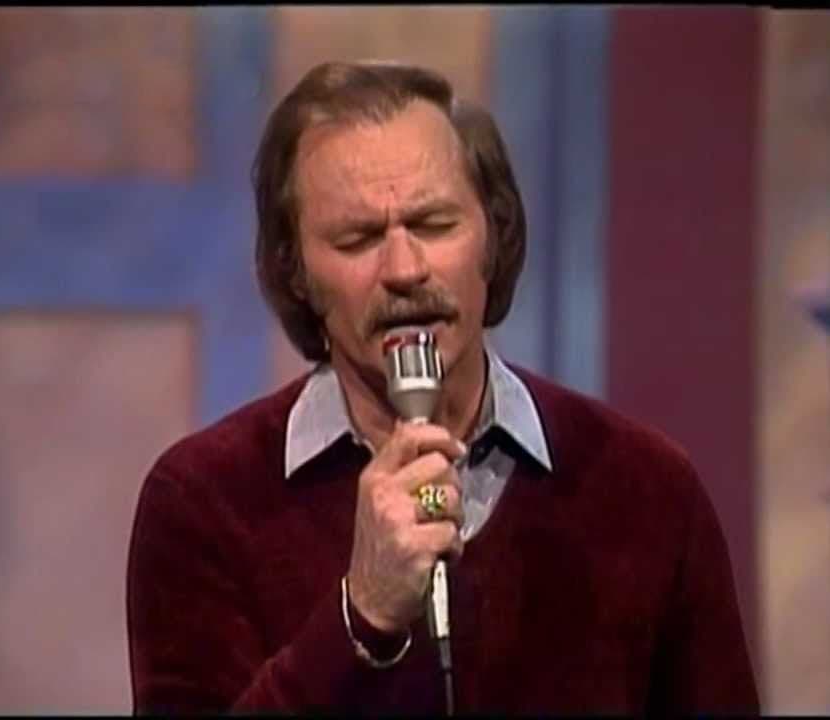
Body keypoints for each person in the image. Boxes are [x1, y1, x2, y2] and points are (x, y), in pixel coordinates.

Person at [125, 60, 759, 715]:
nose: (404, 270)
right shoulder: (204, 500)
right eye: (358, 238)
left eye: (433, 225)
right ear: (296, 272)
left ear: (495, 235)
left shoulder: (647, 487)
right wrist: (361, 617)